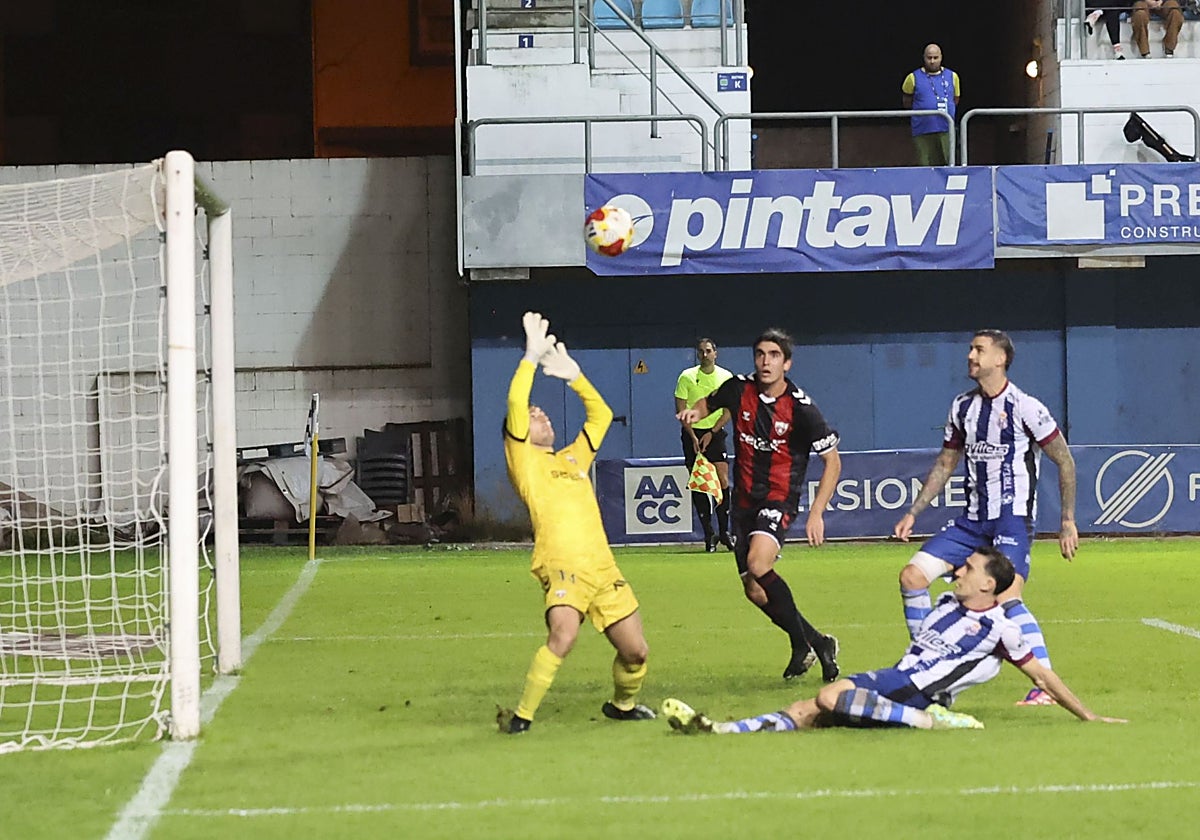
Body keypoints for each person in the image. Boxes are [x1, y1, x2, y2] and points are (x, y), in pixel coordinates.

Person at [662, 548, 1127, 735]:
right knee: (811, 711)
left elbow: (1043, 674)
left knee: (829, 694)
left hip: (920, 692)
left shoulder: (1003, 628)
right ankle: (720, 730)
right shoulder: (947, 604)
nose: (957, 571)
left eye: (967, 569)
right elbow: (917, 619)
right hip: (900, 679)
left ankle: (930, 722)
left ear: (989, 585)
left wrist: (1088, 714)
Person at [892, 329, 1078, 706]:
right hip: (971, 523)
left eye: (979, 350)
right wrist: (914, 511)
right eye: (971, 349)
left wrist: (1067, 521)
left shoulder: (1027, 407)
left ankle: (1043, 689)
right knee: (911, 577)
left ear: (1000, 359)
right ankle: (927, 665)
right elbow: (947, 462)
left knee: (1008, 597)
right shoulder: (962, 406)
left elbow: (1064, 460)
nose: (970, 356)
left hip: (1010, 521)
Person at [496, 312, 655, 734]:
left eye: (542, 411)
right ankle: (521, 718)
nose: (541, 414)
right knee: (564, 636)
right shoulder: (524, 462)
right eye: (534, 414)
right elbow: (514, 402)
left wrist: (576, 376)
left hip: (602, 568)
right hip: (561, 564)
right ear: (518, 432)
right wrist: (530, 357)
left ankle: (622, 707)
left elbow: (600, 416)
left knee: (636, 652)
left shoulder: (571, 458)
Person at [676, 328, 841, 682]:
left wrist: (816, 513)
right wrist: (693, 412)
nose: (766, 362)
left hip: (779, 497)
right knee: (753, 589)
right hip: (744, 502)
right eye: (760, 354)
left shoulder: (801, 408)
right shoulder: (739, 388)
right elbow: (711, 403)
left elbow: (833, 462)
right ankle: (814, 642)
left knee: (757, 562)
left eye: (774, 355)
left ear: (787, 362)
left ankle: (805, 644)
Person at [674, 337, 734, 552]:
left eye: (708, 351)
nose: (705, 355)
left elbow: (729, 410)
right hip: (692, 433)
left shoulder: (726, 377)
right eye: (701, 351)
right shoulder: (687, 377)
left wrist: (712, 432)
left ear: (715, 353)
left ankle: (725, 532)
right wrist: (692, 437)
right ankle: (709, 534)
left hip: (715, 433)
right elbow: (681, 410)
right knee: (699, 482)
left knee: (722, 480)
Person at [901, 44, 960, 166]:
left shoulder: (953, 76)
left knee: (950, 164)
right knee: (926, 166)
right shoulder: (912, 77)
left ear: (941, 57)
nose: (932, 61)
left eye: (935, 57)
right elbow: (907, 101)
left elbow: (955, 99)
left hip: (946, 129)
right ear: (924, 58)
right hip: (923, 130)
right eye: (929, 58)